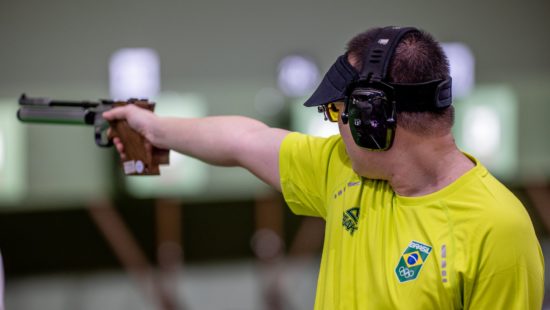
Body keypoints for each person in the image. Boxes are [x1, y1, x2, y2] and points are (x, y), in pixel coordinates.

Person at [103, 26, 544, 309]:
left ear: (374, 119)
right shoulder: (345, 171)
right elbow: (243, 140)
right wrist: (154, 128)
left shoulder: (496, 228)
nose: (334, 130)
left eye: (338, 113)